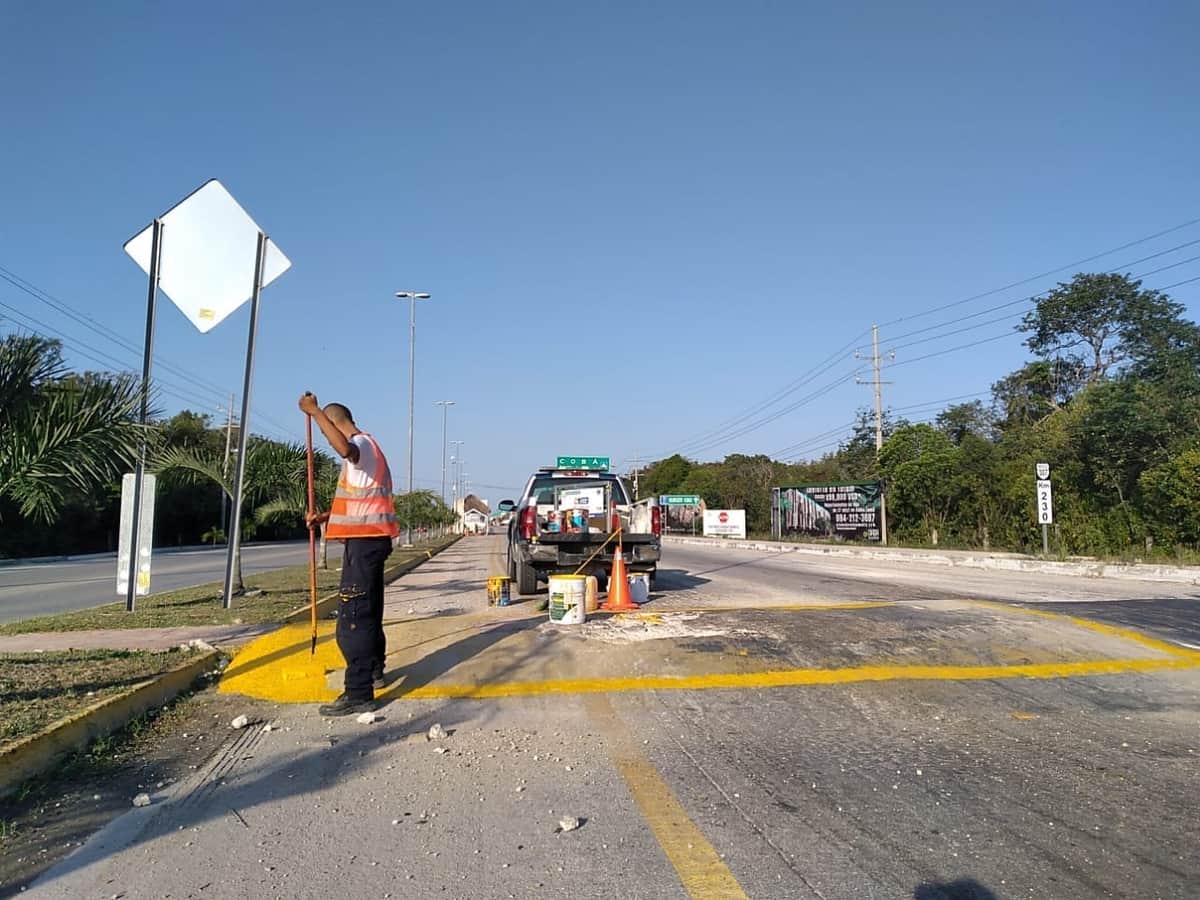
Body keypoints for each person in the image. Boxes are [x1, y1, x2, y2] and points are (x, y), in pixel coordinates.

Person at [299, 393, 398, 717]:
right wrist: (324, 517)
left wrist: (314, 413)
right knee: (368, 612)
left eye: (328, 424)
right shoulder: (370, 450)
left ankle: (358, 692)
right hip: (370, 540)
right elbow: (362, 502)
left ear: (336, 422)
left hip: (365, 543)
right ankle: (374, 670)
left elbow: (343, 448)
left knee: (353, 618)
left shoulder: (360, 445)